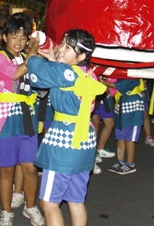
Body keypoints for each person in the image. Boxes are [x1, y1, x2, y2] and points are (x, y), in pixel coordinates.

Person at [27, 29, 107, 226]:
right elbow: (63, 76)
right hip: (84, 140)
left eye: (67, 47)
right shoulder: (88, 73)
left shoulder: (65, 72)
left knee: (49, 202)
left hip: (65, 140)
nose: (60, 49)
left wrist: (35, 46)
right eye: (61, 44)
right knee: (76, 200)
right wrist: (55, 59)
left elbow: (33, 66)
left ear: (80, 56)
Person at [0, 17, 44, 226]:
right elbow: (16, 74)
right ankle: (6, 212)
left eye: (23, 37)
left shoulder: (27, 57)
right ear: (4, 37)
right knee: (7, 170)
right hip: (5, 118)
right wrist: (34, 49)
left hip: (27, 115)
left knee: (30, 168)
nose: (19, 41)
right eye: (14, 36)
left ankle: (30, 207)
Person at [106, 78, 145, 175]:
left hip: (134, 108)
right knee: (120, 137)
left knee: (130, 138)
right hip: (121, 104)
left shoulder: (134, 74)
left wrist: (103, 81)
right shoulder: (121, 74)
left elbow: (121, 85)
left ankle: (130, 164)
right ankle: (120, 161)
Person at [92, 84, 116, 174]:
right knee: (95, 124)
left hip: (106, 98)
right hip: (94, 97)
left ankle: (100, 149)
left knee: (110, 123)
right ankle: (92, 152)